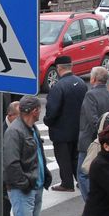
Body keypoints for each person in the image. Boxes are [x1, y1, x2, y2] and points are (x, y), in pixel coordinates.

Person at [1, 96, 52, 216]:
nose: (41, 112)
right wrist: (24, 184)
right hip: (23, 189)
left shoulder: (31, 128)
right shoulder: (15, 132)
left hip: (35, 186)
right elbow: (11, 163)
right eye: (39, 109)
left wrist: (43, 177)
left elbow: (37, 156)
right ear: (34, 111)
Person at [44, 55, 86, 191]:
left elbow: (52, 110)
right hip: (78, 128)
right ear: (71, 66)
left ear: (58, 68)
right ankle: (80, 181)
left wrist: (47, 121)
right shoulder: (81, 83)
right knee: (75, 157)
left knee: (63, 158)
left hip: (61, 130)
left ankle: (67, 183)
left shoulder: (58, 87)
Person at [76, 65, 109, 199]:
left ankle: (91, 201)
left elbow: (92, 120)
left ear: (94, 79)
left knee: (83, 172)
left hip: (90, 141)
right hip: (107, 140)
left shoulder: (90, 95)